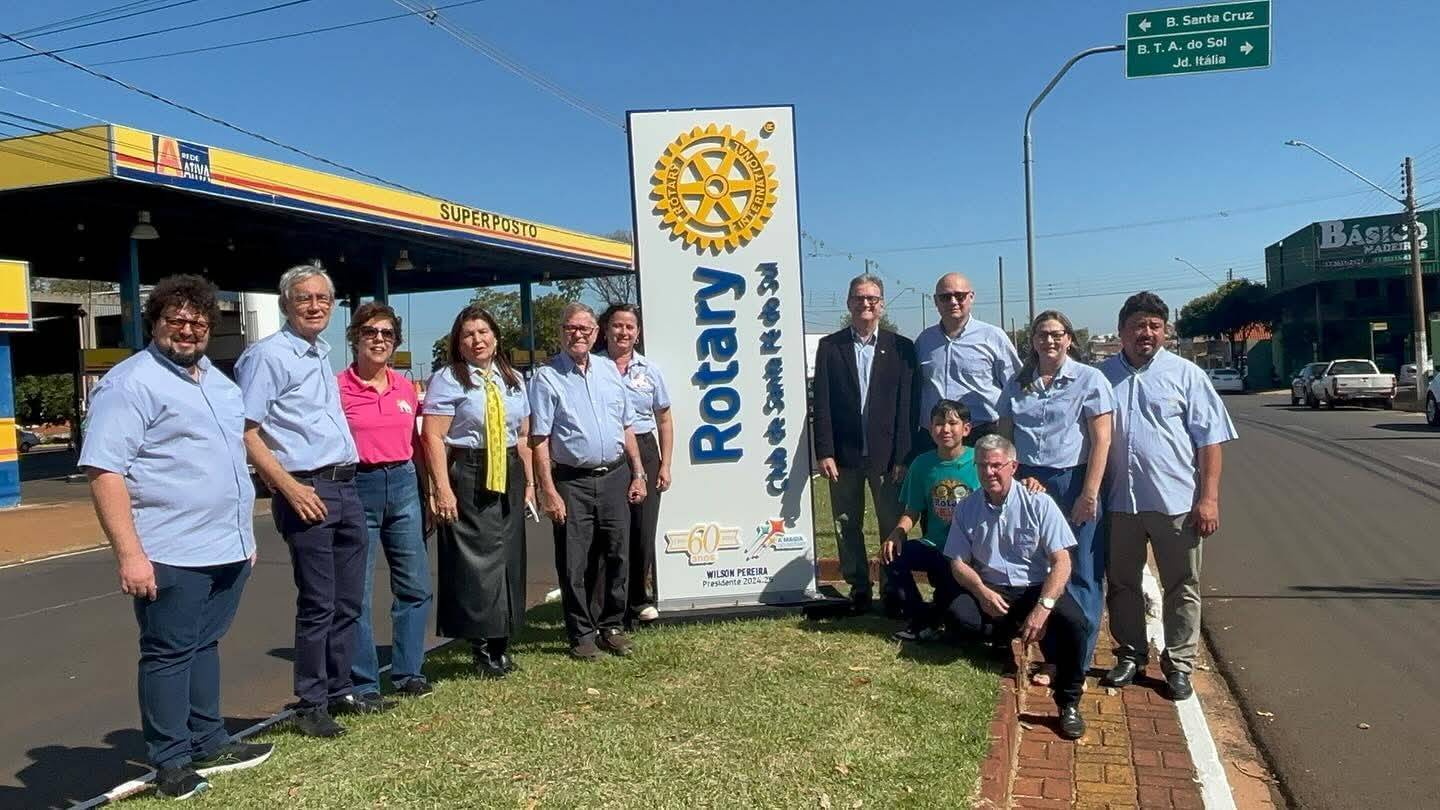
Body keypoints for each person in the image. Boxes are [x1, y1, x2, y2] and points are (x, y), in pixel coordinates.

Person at [81, 275, 271, 799]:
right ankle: (170, 760)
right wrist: (130, 555)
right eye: (176, 321)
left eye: (198, 322)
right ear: (156, 323)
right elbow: (105, 471)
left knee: (204, 643)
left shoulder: (220, 384)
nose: (187, 331)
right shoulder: (130, 384)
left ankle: (210, 739)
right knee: (167, 653)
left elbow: (232, 461)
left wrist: (244, 538)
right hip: (169, 549)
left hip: (227, 546)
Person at [237, 263, 377, 738]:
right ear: (285, 305)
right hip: (306, 488)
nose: (315, 306)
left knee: (349, 598)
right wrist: (287, 486)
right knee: (319, 601)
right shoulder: (268, 356)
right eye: (304, 298)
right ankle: (311, 702)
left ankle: (339, 690)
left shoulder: (320, 353)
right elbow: (246, 431)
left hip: (345, 484)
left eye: (322, 298)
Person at [1099, 292, 1237, 701]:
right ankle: (1130, 654)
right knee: (1121, 584)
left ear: (1166, 332)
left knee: (1183, 585)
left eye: (1155, 326)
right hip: (1119, 504)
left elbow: (1210, 441)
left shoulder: (1188, 375)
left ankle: (1178, 664)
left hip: (1175, 504)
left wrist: (1208, 499)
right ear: (1122, 330)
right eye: (1138, 325)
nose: (1146, 333)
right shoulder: (1101, 377)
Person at [943, 435, 1090, 740]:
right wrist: (982, 592)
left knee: (1076, 623)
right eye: (982, 466)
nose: (989, 472)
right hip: (993, 588)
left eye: (997, 465)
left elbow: (1061, 562)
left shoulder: (1038, 502)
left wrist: (1043, 608)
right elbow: (958, 563)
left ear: (1013, 466)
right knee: (960, 617)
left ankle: (1069, 703)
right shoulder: (967, 508)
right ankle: (1002, 639)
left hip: (1036, 587)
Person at [998, 310, 1114, 679]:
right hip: (1029, 482)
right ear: (1031, 341)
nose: (1049, 341)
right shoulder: (1018, 384)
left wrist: (1089, 492)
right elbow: (1005, 439)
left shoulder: (1089, 380)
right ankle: (1051, 655)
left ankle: (1075, 661)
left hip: (1072, 481)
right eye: (1042, 335)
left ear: (1069, 339)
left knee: (1080, 571)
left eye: (1057, 334)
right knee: (1040, 569)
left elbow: (1102, 441)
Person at [421, 305, 535, 677]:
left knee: (508, 555)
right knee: (475, 560)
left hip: (509, 468)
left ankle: (502, 639)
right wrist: (442, 488)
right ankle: (481, 645)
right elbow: (433, 436)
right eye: (468, 334)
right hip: (469, 468)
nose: (477, 340)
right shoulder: (448, 379)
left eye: (483, 332)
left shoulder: (513, 378)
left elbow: (522, 435)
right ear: (459, 341)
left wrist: (531, 483)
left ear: (496, 337)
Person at [529, 303, 648, 660]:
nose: (578, 334)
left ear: (596, 333)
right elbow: (539, 439)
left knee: (618, 554)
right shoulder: (546, 377)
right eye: (570, 328)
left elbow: (626, 426)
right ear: (560, 332)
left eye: (585, 328)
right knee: (574, 561)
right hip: (572, 481)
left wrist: (638, 472)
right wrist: (548, 490)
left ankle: (611, 625)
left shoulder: (611, 371)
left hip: (615, 475)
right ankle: (581, 633)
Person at [337, 302, 433, 700]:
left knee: (415, 584)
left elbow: (418, 442)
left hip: (405, 481)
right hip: (360, 484)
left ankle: (409, 671)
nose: (379, 340)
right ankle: (363, 682)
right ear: (355, 337)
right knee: (357, 592)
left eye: (387, 334)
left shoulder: (405, 387)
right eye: (371, 332)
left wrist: (429, 491)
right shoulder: (336, 387)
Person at [812, 273, 917, 614]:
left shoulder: (902, 348)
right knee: (846, 524)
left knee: (891, 523)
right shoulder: (830, 347)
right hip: (843, 454)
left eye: (872, 298)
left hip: (888, 458)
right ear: (849, 303)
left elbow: (907, 407)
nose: (866, 303)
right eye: (859, 298)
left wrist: (904, 455)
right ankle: (858, 586)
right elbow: (822, 403)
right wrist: (824, 451)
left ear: (882, 305)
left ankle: (891, 588)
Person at [596, 303, 673, 625]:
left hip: (645, 447)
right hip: (610, 451)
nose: (623, 332)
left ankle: (638, 599)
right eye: (617, 325)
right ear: (606, 329)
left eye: (630, 327)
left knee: (643, 530)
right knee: (613, 532)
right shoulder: (594, 366)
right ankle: (606, 603)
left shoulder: (650, 370)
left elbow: (665, 419)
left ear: (638, 333)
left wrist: (666, 464)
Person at [880, 400, 978, 641]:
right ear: (930, 428)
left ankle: (942, 612)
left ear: (966, 429)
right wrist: (897, 533)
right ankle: (919, 616)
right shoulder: (922, 464)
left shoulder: (980, 461)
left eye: (953, 423)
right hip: (935, 546)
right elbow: (912, 510)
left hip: (969, 554)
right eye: (939, 423)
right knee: (893, 553)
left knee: (962, 623)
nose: (945, 429)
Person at [913, 273, 1020, 454]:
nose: (953, 302)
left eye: (960, 296)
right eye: (945, 297)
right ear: (936, 301)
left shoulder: (993, 337)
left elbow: (1016, 386)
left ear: (971, 297)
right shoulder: (924, 341)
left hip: (982, 434)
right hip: (936, 437)